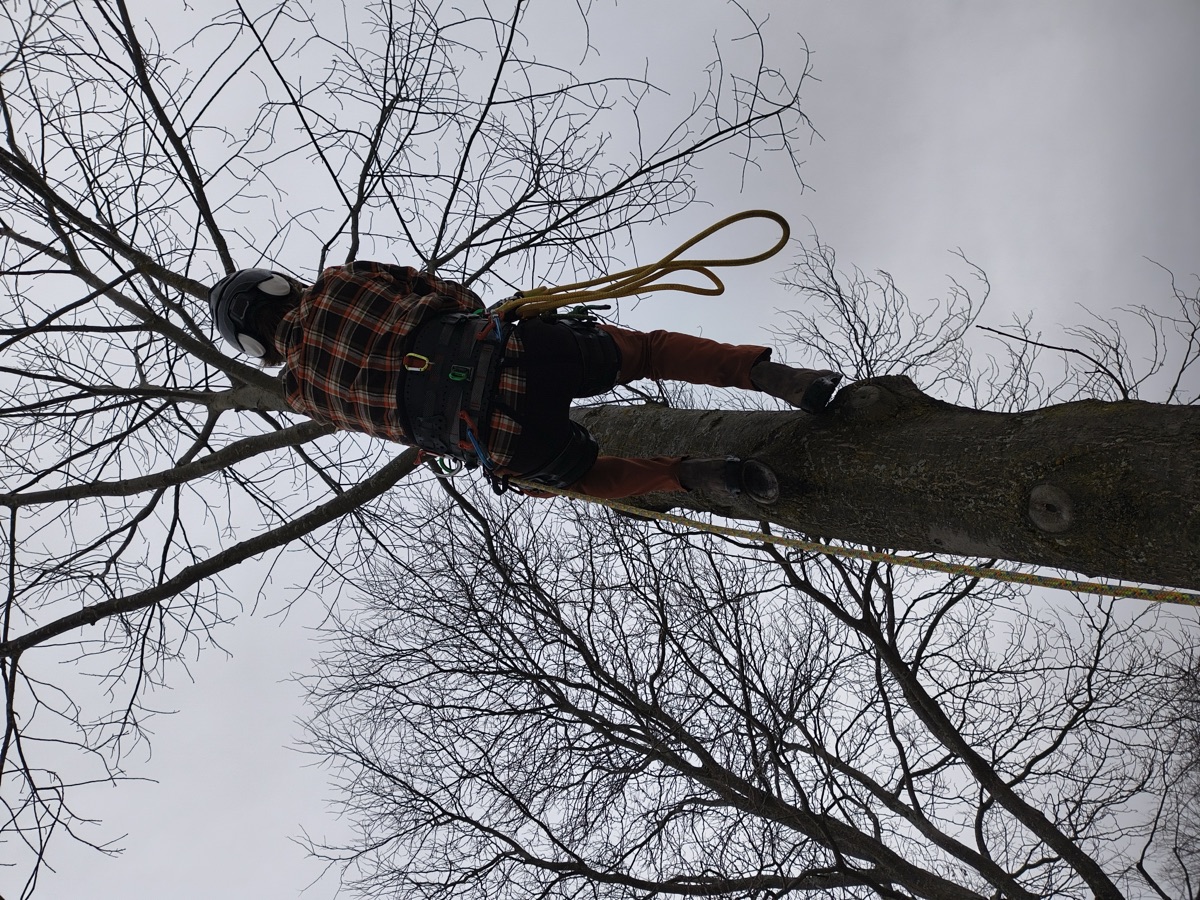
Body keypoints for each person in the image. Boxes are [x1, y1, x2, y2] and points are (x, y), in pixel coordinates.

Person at [208, 262, 842, 503]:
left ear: (258, 348)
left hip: (493, 435)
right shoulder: (341, 281)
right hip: (515, 352)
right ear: (280, 285)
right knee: (644, 353)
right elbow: (452, 294)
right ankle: (772, 375)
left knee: (583, 480)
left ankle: (695, 474)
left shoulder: (303, 394)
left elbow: (386, 416)